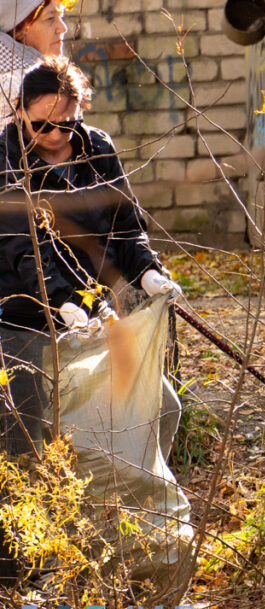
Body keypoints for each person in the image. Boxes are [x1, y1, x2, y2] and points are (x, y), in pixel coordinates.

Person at [0, 55, 180, 456]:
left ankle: (131, 500)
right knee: (24, 436)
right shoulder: (5, 162)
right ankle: (33, 515)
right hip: (20, 316)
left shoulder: (96, 147)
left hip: (95, 311)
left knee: (162, 409)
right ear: (19, 111)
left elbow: (125, 222)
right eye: (42, 124)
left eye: (68, 122)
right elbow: (21, 247)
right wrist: (63, 300)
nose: (55, 134)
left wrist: (147, 270)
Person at [0, 0, 68, 117]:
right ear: (18, 31)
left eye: (61, 17)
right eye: (50, 19)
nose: (63, 28)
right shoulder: (13, 88)